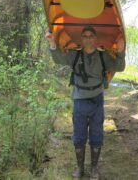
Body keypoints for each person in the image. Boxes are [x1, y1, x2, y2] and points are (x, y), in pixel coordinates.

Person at [45, 26, 125, 179]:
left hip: (97, 99)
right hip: (79, 99)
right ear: (81, 39)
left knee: (96, 133)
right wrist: (52, 43)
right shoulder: (74, 55)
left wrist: (121, 52)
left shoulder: (103, 57)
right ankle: (79, 167)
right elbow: (58, 59)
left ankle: (94, 168)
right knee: (79, 134)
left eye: (91, 36)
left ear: (95, 39)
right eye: (85, 36)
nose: (88, 38)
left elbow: (119, 67)